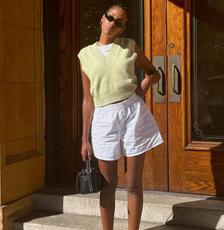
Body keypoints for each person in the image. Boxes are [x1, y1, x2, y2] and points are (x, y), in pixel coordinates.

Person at [78, 5, 163, 230]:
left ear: (123, 28)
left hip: (132, 114)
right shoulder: (85, 55)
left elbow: (154, 73)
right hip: (103, 119)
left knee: (133, 185)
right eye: (110, 17)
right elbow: (88, 99)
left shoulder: (129, 47)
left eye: (119, 22)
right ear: (102, 18)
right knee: (108, 186)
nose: (112, 23)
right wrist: (85, 139)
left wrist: (145, 82)